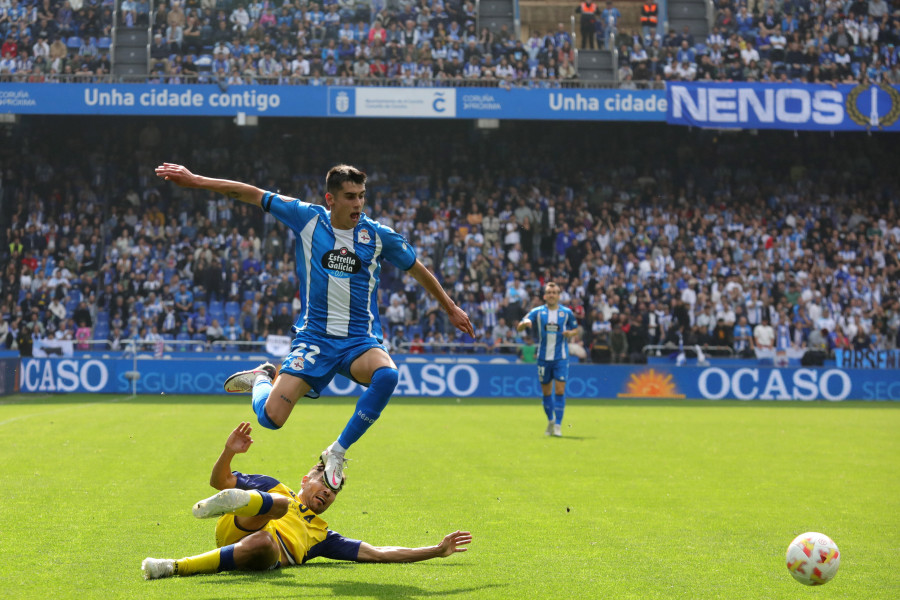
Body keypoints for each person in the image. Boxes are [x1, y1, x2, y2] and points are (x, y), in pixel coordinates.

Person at [155, 163, 474, 491]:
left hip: (358, 341)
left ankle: (337, 450)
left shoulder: (377, 236)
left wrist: (450, 308)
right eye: (350, 197)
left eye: (362, 196)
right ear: (330, 199)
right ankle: (263, 377)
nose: (358, 204)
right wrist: (196, 180)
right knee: (270, 419)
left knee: (388, 375)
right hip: (315, 340)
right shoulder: (306, 217)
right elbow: (249, 193)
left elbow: (417, 268)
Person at [141, 422, 472, 580]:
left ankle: (172, 566)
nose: (328, 492)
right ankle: (237, 502)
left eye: (334, 492)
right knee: (280, 502)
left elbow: (378, 553)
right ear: (306, 479)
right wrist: (229, 451)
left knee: (268, 537)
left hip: (262, 548)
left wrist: (435, 550)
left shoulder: (323, 536)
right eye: (324, 482)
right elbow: (217, 480)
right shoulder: (279, 487)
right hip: (238, 524)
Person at [514, 282, 578, 437]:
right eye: (549, 292)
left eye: (554, 292)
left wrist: (571, 334)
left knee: (560, 390)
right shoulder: (537, 312)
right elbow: (519, 327)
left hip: (561, 357)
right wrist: (525, 324)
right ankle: (550, 420)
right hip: (543, 358)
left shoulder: (566, 313)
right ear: (544, 296)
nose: (551, 295)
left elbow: (575, 329)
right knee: (546, 392)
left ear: (558, 296)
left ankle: (558, 425)